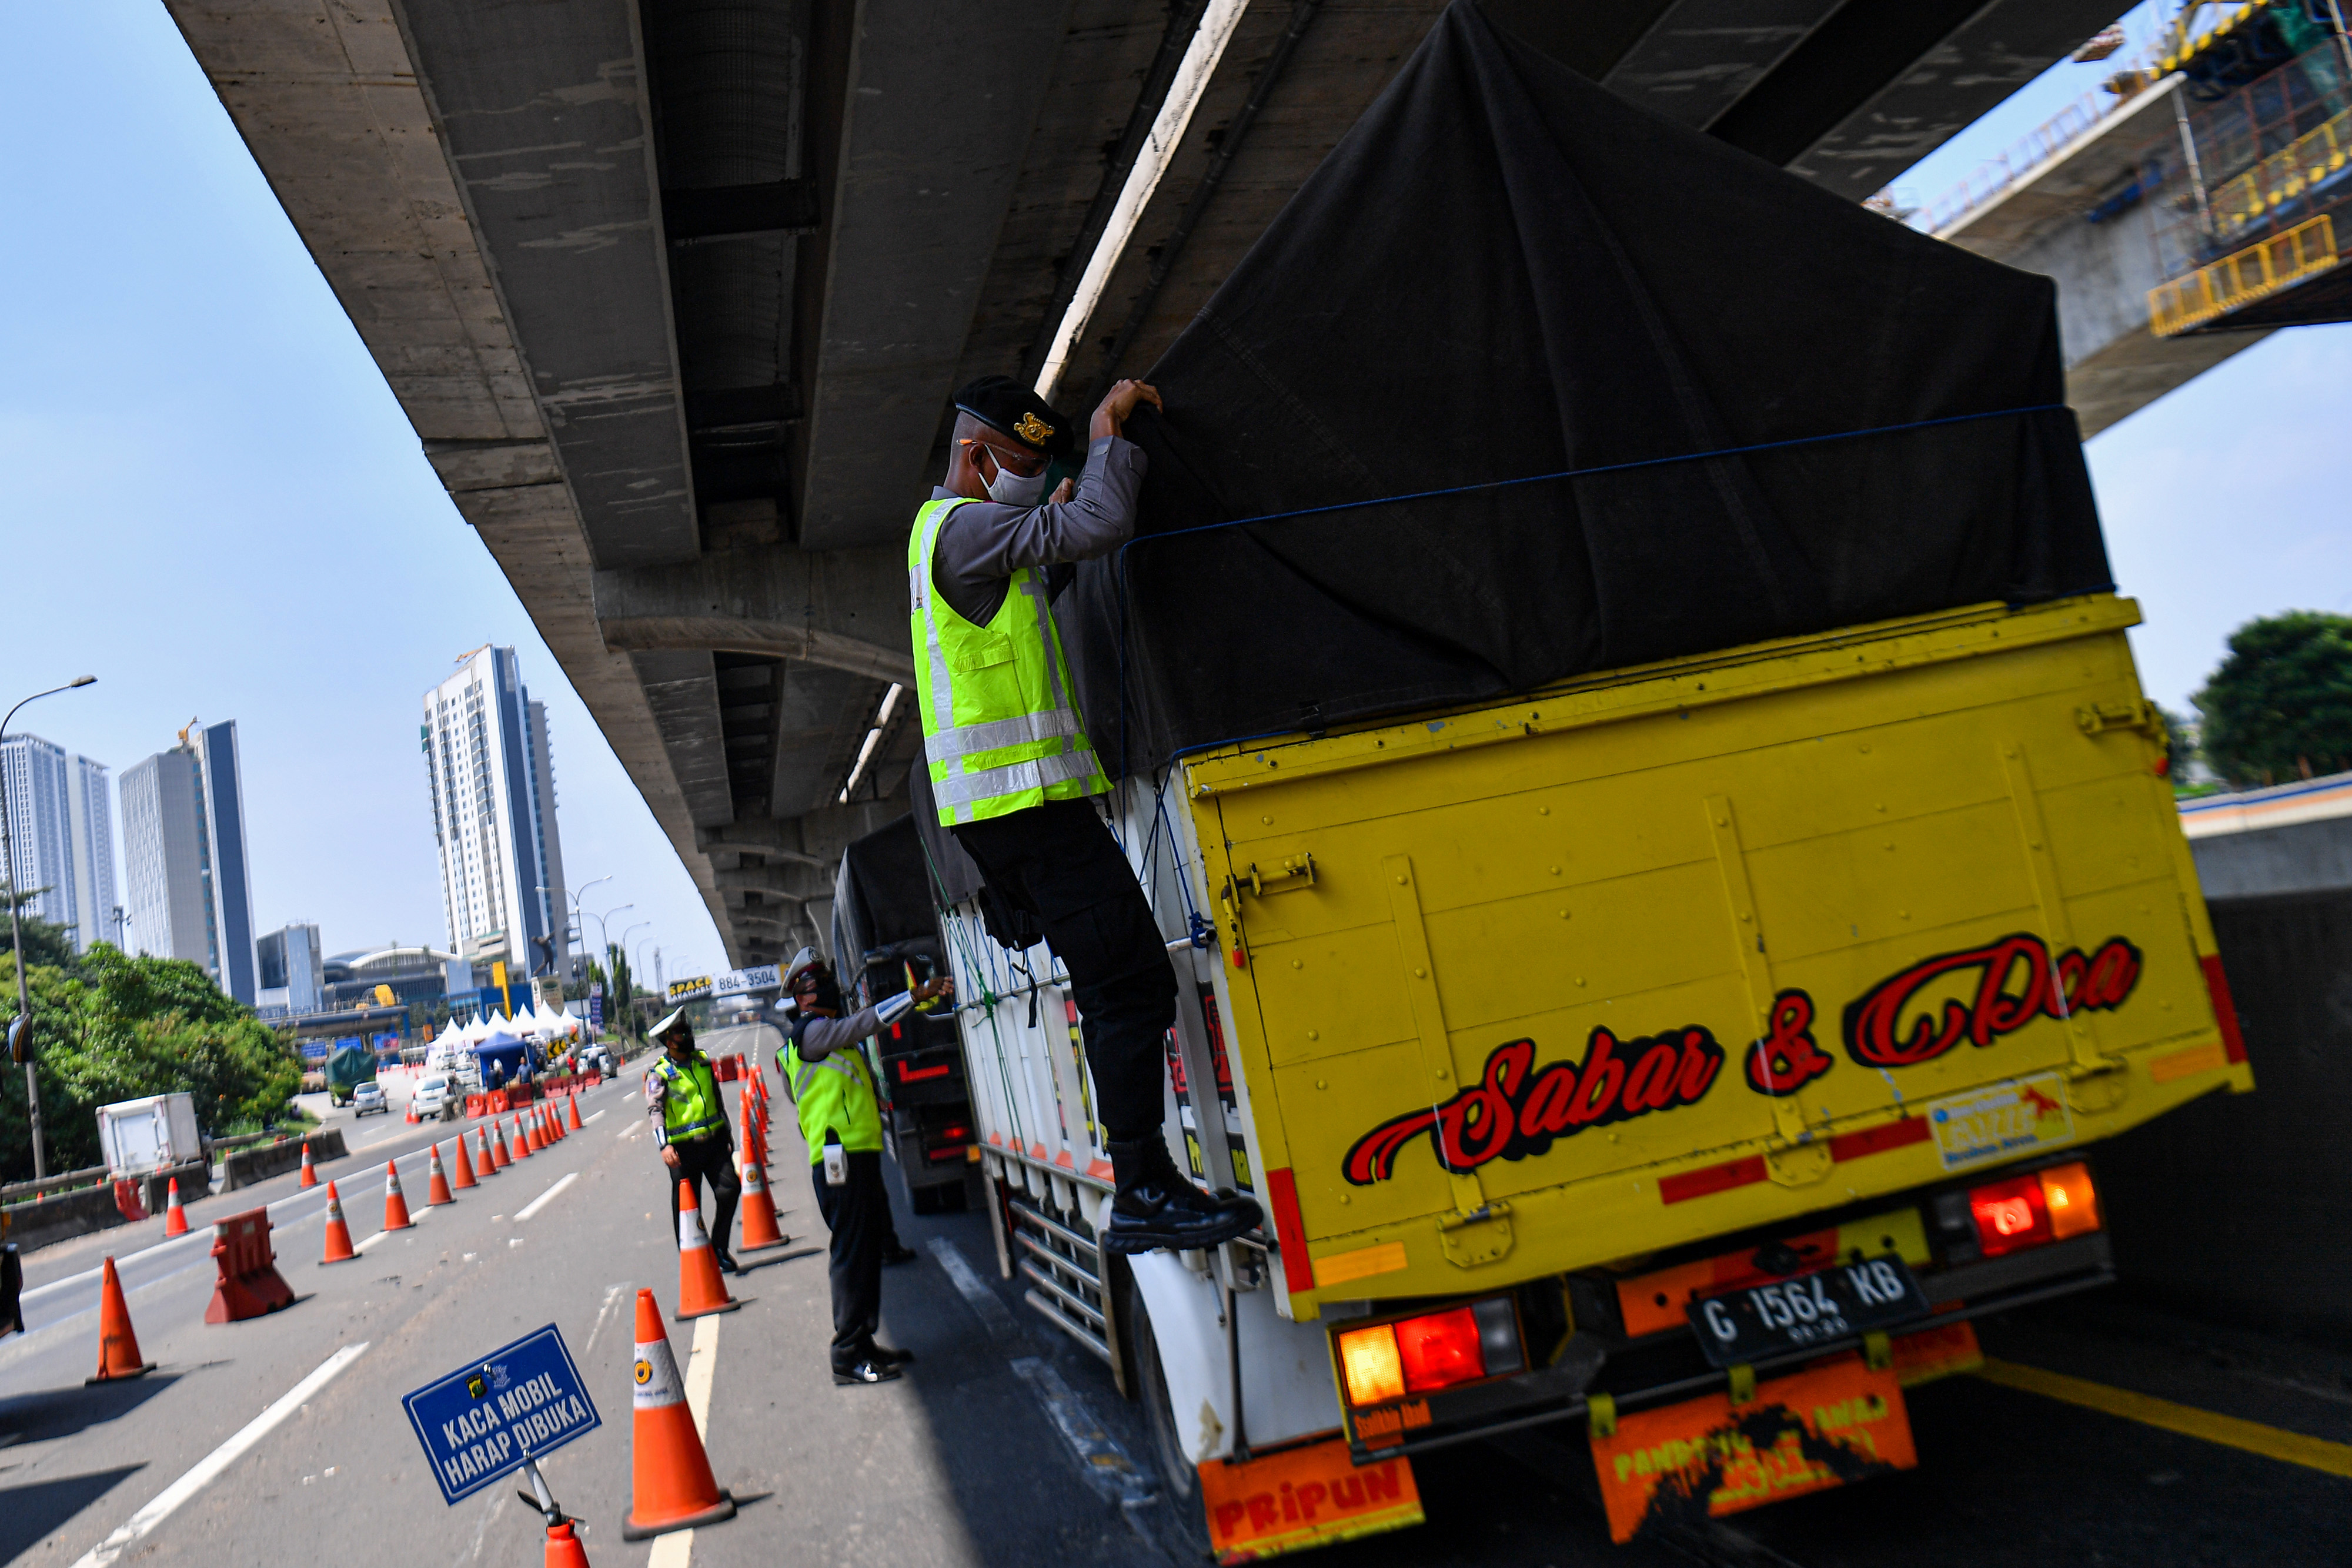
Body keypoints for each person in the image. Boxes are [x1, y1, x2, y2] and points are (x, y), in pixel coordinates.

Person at [907, 373, 1261, 1256]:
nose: (1031, 478)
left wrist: (1055, 507)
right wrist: (1107, 433)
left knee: (1122, 981)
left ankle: (1148, 1180)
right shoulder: (968, 524)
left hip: (1013, 816)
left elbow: (1042, 568)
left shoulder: (944, 535)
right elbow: (1102, 526)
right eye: (1021, 464)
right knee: (1130, 982)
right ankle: (1142, 1187)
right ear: (975, 455)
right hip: (1028, 812)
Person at [781, 948, 952, 1385]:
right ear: (804, 995)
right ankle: (847, 1353)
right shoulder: (813, 1034)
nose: (830, 985)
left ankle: (863, 1342)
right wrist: (912, 996)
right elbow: (866, 1023)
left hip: (853, 1155)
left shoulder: (817, 1040)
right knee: (852, 1256)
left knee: (868, 1249)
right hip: (840, 1162)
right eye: (820, 979)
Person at [643, 1009, 742, 1275]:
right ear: (668, 1041)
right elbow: (655, 1111)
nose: (687, 1036)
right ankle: (695, 1262)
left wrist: (728, 1134)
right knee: (688, 1208)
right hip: (681, 1150)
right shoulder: (660, 1073)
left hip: (714, 1142)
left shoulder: (703, 1061)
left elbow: (717, 1099)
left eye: (687, 1030)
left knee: (730, 1189)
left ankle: (718, 1248)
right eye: (680, 1033)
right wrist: (664, 1146)